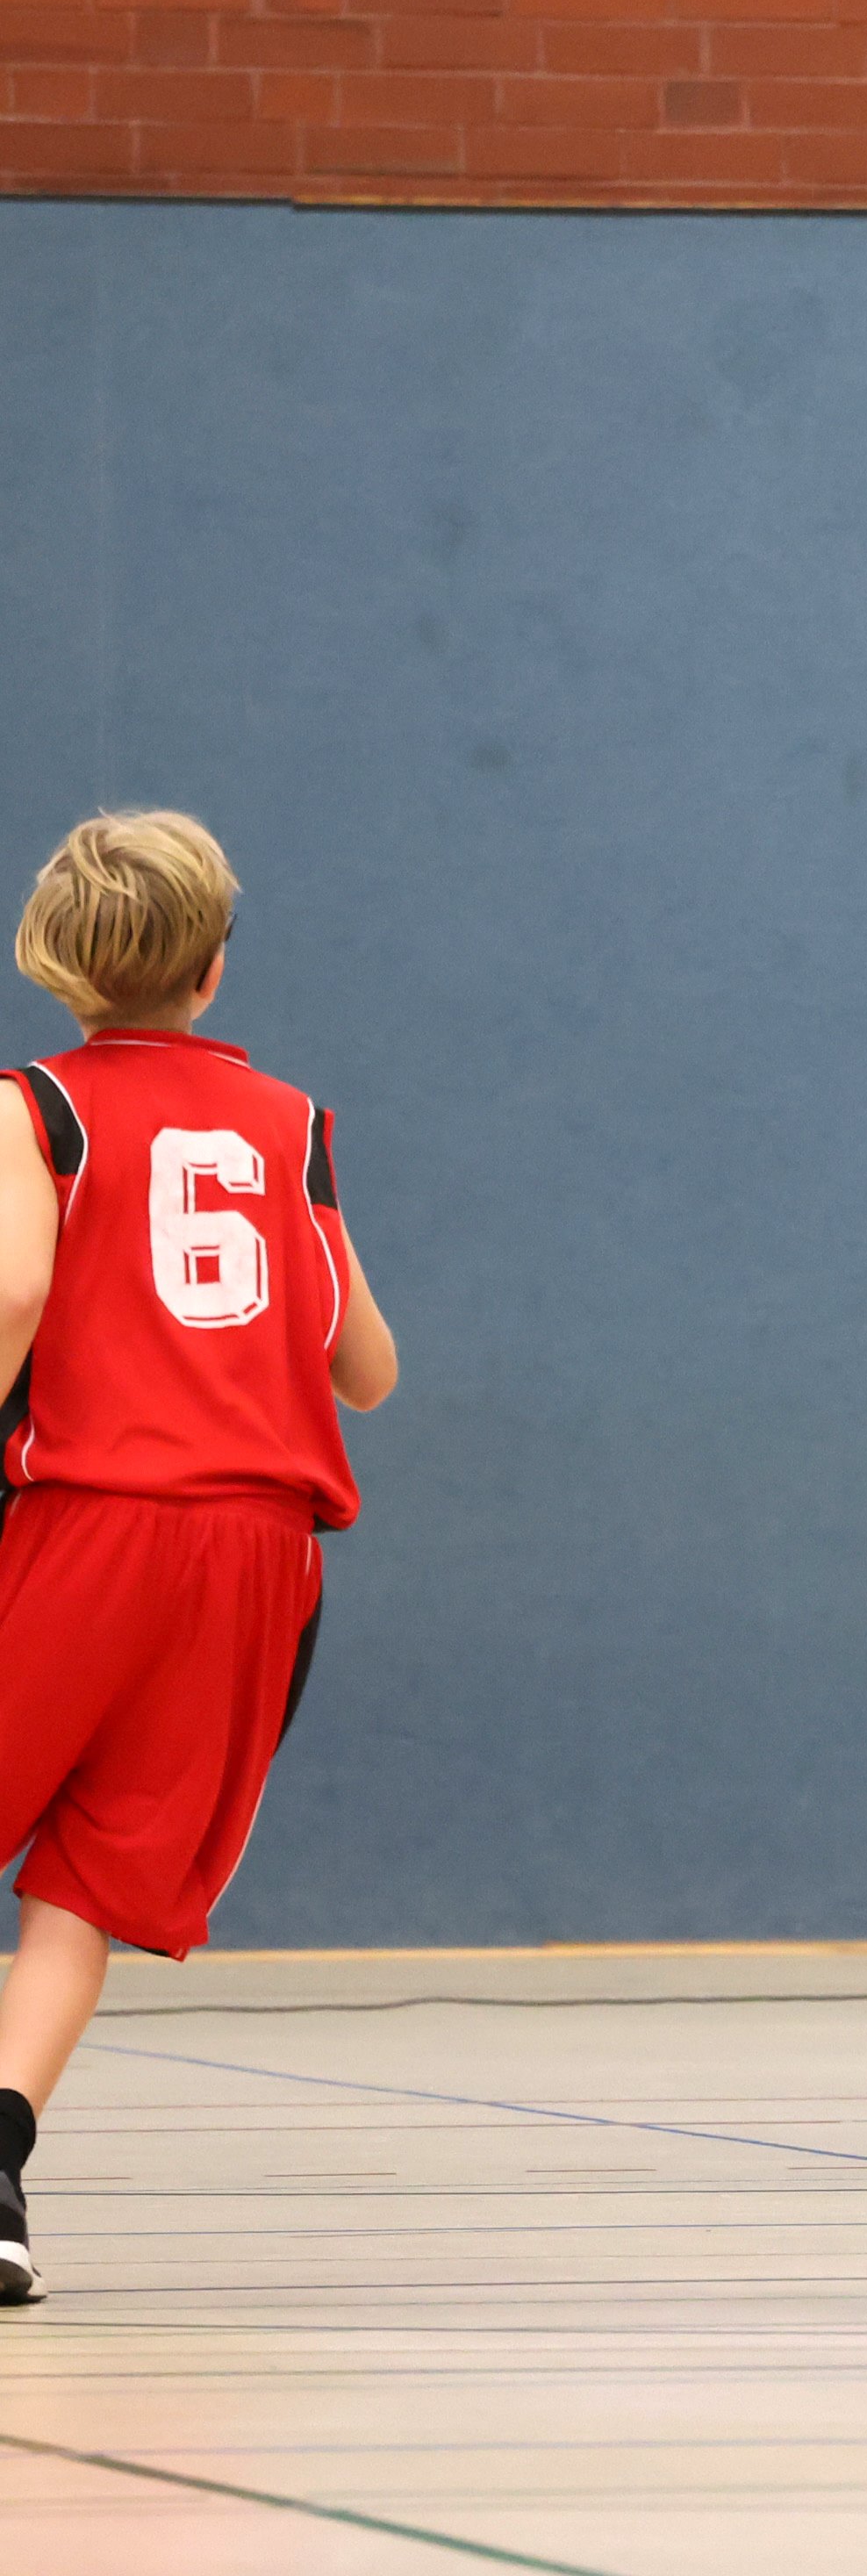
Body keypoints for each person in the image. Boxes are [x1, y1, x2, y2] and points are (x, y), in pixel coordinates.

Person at [0, 811, 399, 2306]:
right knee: (84, 1888)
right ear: (215, 967)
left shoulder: (36, 1107)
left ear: (54, 961)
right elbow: (367, 1368)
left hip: (90, 1523)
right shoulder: (290, 1125)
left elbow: (15, 1289)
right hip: (257, 1555)